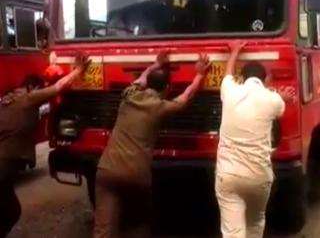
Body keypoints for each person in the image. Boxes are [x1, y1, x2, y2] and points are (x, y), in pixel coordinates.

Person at [93, 51, 210, 238]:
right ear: (167, 88)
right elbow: (187, 95)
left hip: (107, 170)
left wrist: (156, 64)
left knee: (104, 229)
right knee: (138, 225)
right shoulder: (160, 107)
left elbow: (142, 77)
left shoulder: (128, 95)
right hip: (136, 175)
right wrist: (200, 74)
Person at [0, 54, 90, 238]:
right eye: (40, 90)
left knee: (8, 209)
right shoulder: (29, 98)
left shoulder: (7, 100)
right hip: (3, 167)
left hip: (4, 168)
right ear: (32, 88)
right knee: (10, 211)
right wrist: (79, 70)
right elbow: (57, 88)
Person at [215, 40, 287, 238]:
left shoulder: (230, 91)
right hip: (259, 176)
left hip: (229, 174)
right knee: (255, 222)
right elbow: (280, 109)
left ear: (242, 77)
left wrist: (234, 51)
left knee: (232, 233)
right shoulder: (272, 99)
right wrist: (270, 88)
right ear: (265, 79)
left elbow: (228, 74)